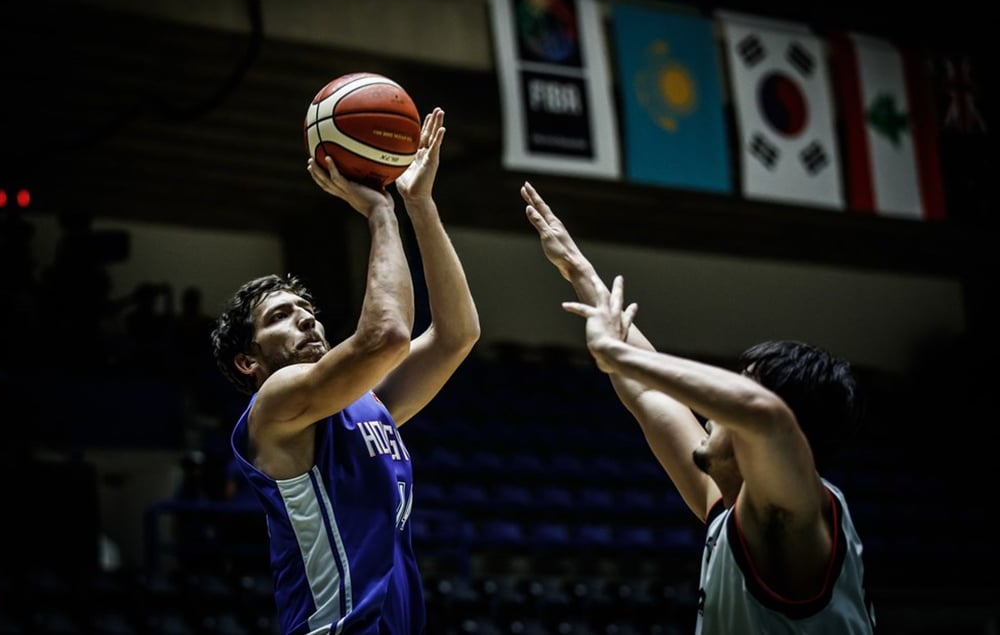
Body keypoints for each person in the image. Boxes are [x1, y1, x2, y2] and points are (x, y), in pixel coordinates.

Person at [521, 181, 875, 633]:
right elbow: (648, 393)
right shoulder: (728, 504)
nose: (714, 409)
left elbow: (763, 414)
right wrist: (578, 268)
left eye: (737, 389)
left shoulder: (798, 518)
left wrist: (614, 353)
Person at [211, 107, 480, 635]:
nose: (305, 317)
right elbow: (388, 336)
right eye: (279, 316)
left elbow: (457, 335)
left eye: (305, 307)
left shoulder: (368, 405)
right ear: (249, 361)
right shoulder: (275, 405)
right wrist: (380, 213)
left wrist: (420, 205)